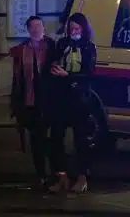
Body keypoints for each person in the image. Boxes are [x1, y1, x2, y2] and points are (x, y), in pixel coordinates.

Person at [48, 13, 97, 194]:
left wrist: (68, 76)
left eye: (77, 29)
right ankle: (61, 176)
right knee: (56, 137)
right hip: (61, 97)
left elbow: (89, 73)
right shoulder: (62, 44)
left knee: (81, 138)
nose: (74, 32)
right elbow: (51, 62)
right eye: (71, 28)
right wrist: (54, 68)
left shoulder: (88, 48)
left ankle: (82, 177)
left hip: (79, 98)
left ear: (84, 29)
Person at [9, 16, 56, 189]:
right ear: (28, 30)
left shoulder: (51, 46)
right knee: (36, 140)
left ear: (44, 28)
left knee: (49, 139)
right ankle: (41, 174)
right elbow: (17, 78)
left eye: (39, 26)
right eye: (33, 27)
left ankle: (56, 172)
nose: (36, 29)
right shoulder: (23, 50)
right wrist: (15, 104)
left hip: (48, 102)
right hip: (30, 102)